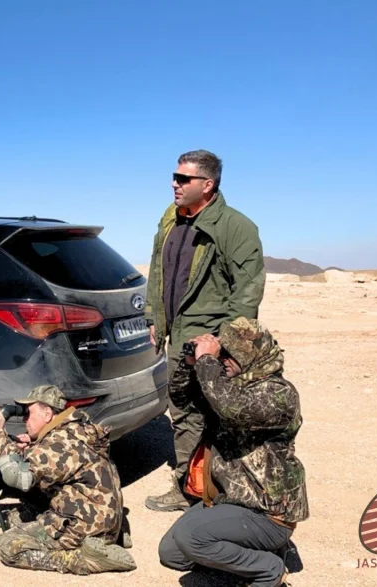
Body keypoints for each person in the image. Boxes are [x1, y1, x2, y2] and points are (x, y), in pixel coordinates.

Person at [143, 149, 266, 512]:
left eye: (183, 179)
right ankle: (189, 485)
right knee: (182, 411)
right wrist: (155, 319)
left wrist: (226, 344)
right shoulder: (171, 221)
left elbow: (247, 292)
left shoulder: (235, 227)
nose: (174, 184)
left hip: (209, 340)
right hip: (177, 337)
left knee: (217, 414)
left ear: (208, 185)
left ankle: (220, 488)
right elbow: (158, 275)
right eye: (175, 177)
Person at [158, 317, 308, 587]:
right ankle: (247, 549)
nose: (222, 358)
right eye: (221, 352)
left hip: (267, 513)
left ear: (251, 356)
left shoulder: (279, 394)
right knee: (172, 554)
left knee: (192, 537)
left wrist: (208, 363)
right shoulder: (228, 383)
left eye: (230, 354)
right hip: (231, 501)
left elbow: (232, 408)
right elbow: (181, 399)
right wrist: (190, 364)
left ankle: (268, 568)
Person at [0, 385, 136, 575]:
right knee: (18, 516)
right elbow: (58, 462)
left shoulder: (58, 443)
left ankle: (81, 559)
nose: (24, 420)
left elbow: (17, 477)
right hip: (105, 519)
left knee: (8, 546)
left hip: (85, 527)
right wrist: (32, 446)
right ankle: (110, 537)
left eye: (28, 413)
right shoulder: (77, 428)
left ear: (47, 414)